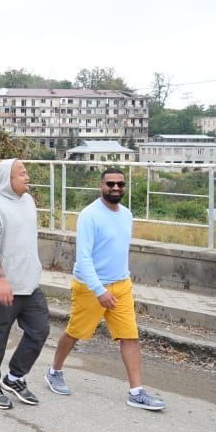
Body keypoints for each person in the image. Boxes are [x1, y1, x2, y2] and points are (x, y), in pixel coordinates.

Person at [45, 169, 166, 411]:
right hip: (90, 287)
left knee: (130, 336)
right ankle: (54, 371)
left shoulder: (127, 214)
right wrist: (99, 290)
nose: (116, 187)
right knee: (74, 333)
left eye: (120, 184)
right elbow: (84, 258)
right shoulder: (90, 215)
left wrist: (122, 282)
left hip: (121, 286)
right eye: (110, 183)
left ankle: (136, 391)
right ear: (101, 185)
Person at [0, 159, 50, 410]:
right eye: (22, 173)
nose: (27, 176)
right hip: (2, 287)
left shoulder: (28, 201)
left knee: (40, 331)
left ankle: (15, 377)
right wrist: (2, 279)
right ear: (6, 179)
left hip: (29, 285)